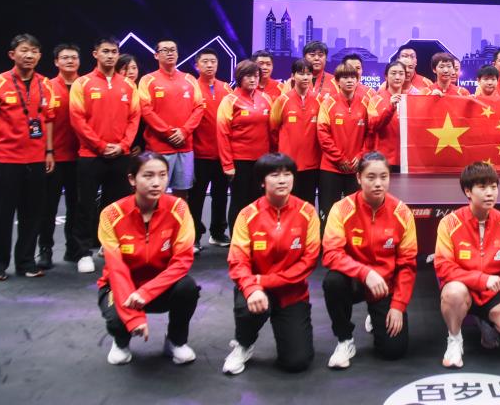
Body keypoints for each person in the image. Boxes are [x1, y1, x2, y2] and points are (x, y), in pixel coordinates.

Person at [96, 152, 198, 366]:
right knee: (116, 319)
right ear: (132, 179)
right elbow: (116, 268)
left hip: (160, 287)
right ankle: (121, 342)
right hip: (121, 286)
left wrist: (146, 292)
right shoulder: (111, 214)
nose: (156, 183)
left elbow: (182, 262)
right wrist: (134, 318)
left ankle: (176, 341)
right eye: (148, 175)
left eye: (162, 175)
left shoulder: (179, 208)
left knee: (187, 288)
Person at [223, 153, 320, 375]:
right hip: (256, 289)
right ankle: (243, 343)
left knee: (297, 362)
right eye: (275, 175)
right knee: (247, 305)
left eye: (287, 174)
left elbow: (308, 261)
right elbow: (238, 260)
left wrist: (265, 281)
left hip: (291, 292)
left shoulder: (308, 212)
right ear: (262, 181)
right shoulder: (247, 215)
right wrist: (252, 287)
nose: (282, 180)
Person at [322, 152, 417, 368]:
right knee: (333, 282)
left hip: (385, 285)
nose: (378, 183)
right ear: (358, 178)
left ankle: (376, 316)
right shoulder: (341, 209)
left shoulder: (402, 213)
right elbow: (331, 254)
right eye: (371, 177)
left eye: (383, 177)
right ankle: (345, 340)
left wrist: (398, 305)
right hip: (353, 281)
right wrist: (365, 273)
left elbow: (407, 264)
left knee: (394, 351)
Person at [435, 163, 500, 367]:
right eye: (482, 187)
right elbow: (443, 267)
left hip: (491, 294)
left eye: (494, 187)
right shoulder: (449, 223)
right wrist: (481, 279)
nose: (490, 193)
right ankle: (454, 339)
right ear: (468, 191)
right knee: (453, 293)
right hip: (463, 289)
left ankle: (486, 321)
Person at [0, 33, 55, 280]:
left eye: (34, 51)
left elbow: (48, 119)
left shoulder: (46, 84)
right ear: (12, 54)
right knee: (2, 216)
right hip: (5, 161)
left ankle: (26, 262)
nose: (29, 55)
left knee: (32, 215)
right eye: (24, 50)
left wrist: (49, 151)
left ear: (39, 56)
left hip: (36, 160)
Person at [70, 37, 141, 274]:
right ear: (95, 54)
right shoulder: (82, 83)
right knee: (85, 205)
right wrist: (100, 146)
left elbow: (134, 118)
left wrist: (123, 145)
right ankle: (83, 253)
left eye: (114, 52)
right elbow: (77, 119)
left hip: (121, 155)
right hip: (90, 155)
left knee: (118, 207)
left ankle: (112, 249)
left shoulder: (128, 85)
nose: (110, 56)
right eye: (105, 51)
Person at [318, 64, 395, 224]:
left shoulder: (366, 103)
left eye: (353, 77)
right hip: (331, 168)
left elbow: (372, 130)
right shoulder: (327, 103)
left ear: (358, 80)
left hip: (356, 168)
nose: (350, 81)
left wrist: (361, 156)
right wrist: (339, 159)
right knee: (328, 213)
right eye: (345, 77)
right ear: (337, 81)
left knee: (356, 214)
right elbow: (323, 134)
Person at [137, 38, 204, 205]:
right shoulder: (147, 80)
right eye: (165, 50)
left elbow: (199, 108)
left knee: (182, 194)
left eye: (173, 50)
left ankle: (178, 222)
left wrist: (184, 131)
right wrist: (168, 132)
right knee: (155, 193)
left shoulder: (190, 79)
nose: (170, 53)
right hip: (158, 148)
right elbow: (146, 110)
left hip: (185, 146)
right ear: (156, 55)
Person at [217, 60, 274, 232]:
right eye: (248, 76)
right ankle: (237, 240)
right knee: (239, 202)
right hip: (239, 162)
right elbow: (222, 134)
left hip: (262, 162)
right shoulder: (230, 100)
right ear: (239, 78)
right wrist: (227, 165)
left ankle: (257, 236)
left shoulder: (266, 99)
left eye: (256, 76)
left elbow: (272, 131)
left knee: (260, 201)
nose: (253, 79)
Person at [38, 43, 81, 269]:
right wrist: (48, 151)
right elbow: (43, 121)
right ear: (56, 62)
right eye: (65, 57)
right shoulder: (47, 86)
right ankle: (45, 249)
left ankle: (73, 248)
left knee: (77, 206)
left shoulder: (85, 85)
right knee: (48, 207)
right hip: (54, 157)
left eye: (74, 57)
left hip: (81, 157)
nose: (70, 61)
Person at [190, 49, 233, 248]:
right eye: (205, 61)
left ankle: (218, 233)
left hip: (222, 154)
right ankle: (194, 237)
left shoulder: (226, 88)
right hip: (199, 154)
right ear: (197, 65)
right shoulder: (192, 87)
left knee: (220, 194)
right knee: (196, 197)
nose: (209, 65)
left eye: (213, 61)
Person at [270, 59, 322, 206]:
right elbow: (273, 129)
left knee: (308, 205)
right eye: (301, 73)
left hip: (312, 165)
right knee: (287, 204)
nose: (305, 77)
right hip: (288, 164)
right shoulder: (282, 100)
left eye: (308, 74)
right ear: (292, 76)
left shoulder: (319, 100)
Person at [371, 61, 406, 171]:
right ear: (386, 76)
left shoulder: (410, 100)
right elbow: (373, 126)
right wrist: (390, 108)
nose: (397, 77)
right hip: (383, 159)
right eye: (393, 73)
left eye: (401, 73)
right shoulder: (375, 100)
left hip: (406, 160)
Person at [116, 54, 145, 155]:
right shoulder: (112, 91)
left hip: (138, 144)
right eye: (125, 68)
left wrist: (141, 144)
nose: (131, 72)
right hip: (118, 144)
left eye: (134, 68)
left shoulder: (143, 90)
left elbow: (142, 123)